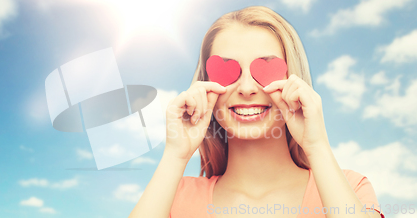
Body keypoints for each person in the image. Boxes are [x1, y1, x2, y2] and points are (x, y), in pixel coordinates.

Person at [129, 6, 384, 218]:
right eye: (227, 71)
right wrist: (175, 155)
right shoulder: (174, 198)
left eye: (265, 69)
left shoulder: (350, 189)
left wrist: (316, 146)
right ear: (205, 87)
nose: (248, 88)